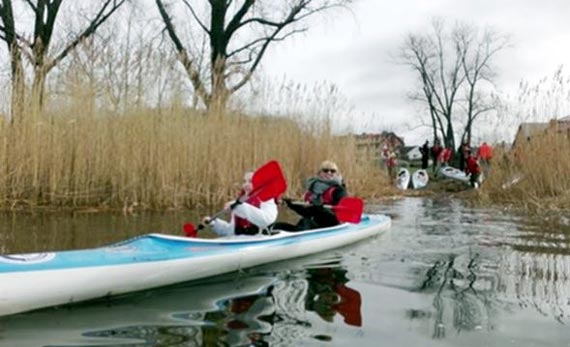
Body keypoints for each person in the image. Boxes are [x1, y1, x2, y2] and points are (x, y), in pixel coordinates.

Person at [275, 160, 347, 231]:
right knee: (277, 226)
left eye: (332, 171)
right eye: (325, 170)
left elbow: (338, 217)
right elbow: (308, 213)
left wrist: (320, 207)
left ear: (336, 174)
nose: (329, 173)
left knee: (306, 222)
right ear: (319, 173)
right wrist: (291, 204)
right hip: (315, 224)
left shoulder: (339, 191)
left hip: (330, 225)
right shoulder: (313, 189)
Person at [203, 171, 278, 236]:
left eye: (251, 181)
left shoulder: (267, 199)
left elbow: (267, 220)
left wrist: (239, 207)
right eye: (244, 181)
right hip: (240, 241)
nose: (246, 184)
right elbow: (231, 231)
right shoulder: (239, 202)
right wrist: (214, 223)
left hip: (260, 240)